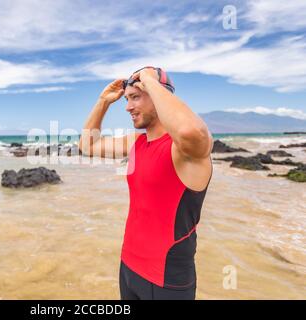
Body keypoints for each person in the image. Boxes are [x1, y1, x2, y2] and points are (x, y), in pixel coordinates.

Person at [79, 66, 213, 300]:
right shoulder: (136, 143)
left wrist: (150, 81)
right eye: (128, 98)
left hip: (167, 280)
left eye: (136, 97)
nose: (128, 107)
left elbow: (191, 131)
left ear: (160, 95)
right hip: (129, 266)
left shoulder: (184, 151)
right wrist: (103, 101)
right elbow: (87, 146)